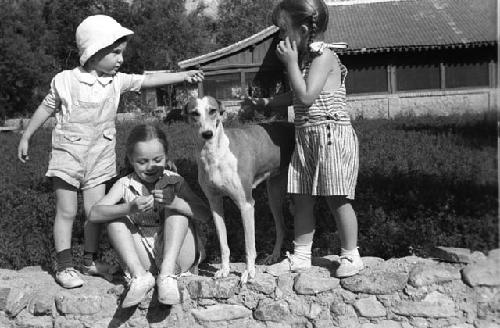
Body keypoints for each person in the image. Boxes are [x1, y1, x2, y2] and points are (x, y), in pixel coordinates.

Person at [17, 15, 204, 289]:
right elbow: (47, 107)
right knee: (66, 211)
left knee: (96, 211)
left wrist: (184, 75)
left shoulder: (117, 82)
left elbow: (149, 79)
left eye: (121, 53)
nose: (120, 60)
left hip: (99, 156)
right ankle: (64, 265)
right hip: (68, 154)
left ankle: (89, 261)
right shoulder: (66, 80)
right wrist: (27, 134)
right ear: (94, 52)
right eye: (115, 53)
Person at [245, 0, 363, 278]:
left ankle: (351, 255)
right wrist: (266, 102)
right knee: (301, 198)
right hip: (307, 138)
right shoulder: (306, 60)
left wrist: (289, 64)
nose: (281, 37)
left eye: (284, 29)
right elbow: (296, 94)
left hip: (330, 137)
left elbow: (307, 96)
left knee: (338, 198)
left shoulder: (324, 57)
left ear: (304, 29)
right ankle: (301, 255)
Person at [89, 123, 210, 307]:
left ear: (166, 156)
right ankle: (140, 277)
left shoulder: (175, 180)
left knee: (176, 210)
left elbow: (205, 214)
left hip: (178, 257)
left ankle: (167, 275)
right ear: (131, 159)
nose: (150, 166)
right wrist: (129, 208)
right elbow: (94, 214)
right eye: (142, 161)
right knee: (114, 218)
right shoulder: (125, 183)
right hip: (144, 259)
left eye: (157, 159)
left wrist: (176, 202)